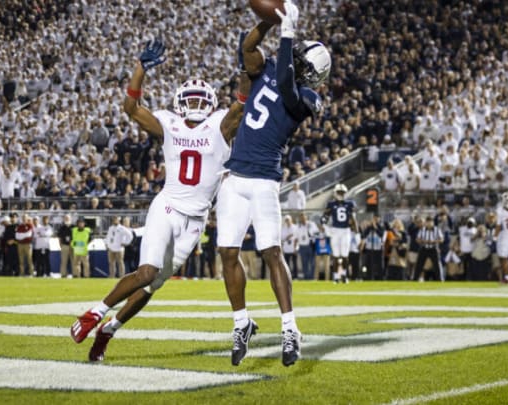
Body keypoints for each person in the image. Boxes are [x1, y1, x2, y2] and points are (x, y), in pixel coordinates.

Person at [70, 36, 246, 363]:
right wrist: (140, 69)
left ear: (209, 102)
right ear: (181, 101)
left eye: (199, 100)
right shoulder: (169, 122)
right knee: (147, 272)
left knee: (151, 287)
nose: (194, 105)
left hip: (195, 222)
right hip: (166, 207)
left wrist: (246, 68)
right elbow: (131, 108)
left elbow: (243, 99)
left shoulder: (221, 125)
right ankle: (94, 313)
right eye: (190, 100)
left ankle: (109, 330)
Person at [216, 2, 331, 366]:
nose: (293, 54)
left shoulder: (309, 98)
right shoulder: (266, 68)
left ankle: (289, 327)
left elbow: (285, 82)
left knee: (270, 252)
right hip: (235, 177)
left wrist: (287, 33)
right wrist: (268, 23)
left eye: (299, 55)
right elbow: (247, 50)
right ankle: (241, 323)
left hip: (264, 179)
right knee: (227, 253)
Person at [322, 183, 357, 284]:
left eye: (342, 192)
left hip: (345, 230)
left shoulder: (350, 203)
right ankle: (336, 276)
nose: (341, 194)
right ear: (335, 193)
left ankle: (344, 276)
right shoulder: (331, 204)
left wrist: (356, 230)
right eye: (339, 192)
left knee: (345, 255)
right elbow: (325, 216)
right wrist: (324, 224)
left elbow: (353, 219)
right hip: (335, 230)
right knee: (336, 255)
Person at [414, 216, 444, 281]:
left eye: (430, 222)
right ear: (426, 223)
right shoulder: (422, 230)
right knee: (419, 264)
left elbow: (441, 239)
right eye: (428, 222)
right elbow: (417, 239)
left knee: (437, 265)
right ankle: (415, 279)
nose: (429, 223)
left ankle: (440, 279)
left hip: (433, 248)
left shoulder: (437, 229)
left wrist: (434, 241)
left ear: (433, 222)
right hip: (424, 248)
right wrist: (423, 241)